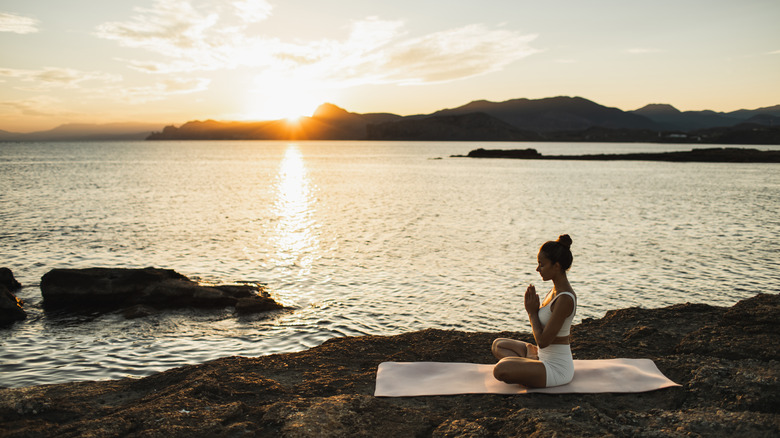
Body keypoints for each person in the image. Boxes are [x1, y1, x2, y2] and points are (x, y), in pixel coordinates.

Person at [492, 234, 577, 388]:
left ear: (556, 266)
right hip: (541, 356)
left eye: (541, 264)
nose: (538, 269)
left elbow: (543, 342)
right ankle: (531, 362)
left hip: (556, 369)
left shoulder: (565, 299)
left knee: (501, 369)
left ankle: (529, 364)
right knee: (498, 344)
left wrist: (532, 313)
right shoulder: (554, 291)